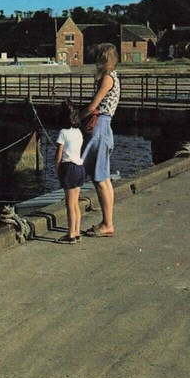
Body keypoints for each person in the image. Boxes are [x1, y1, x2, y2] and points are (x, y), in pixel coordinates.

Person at [81, 43, 120, 238]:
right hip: (104, 126)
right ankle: (107, 222)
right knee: (103, 177)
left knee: (99, 178)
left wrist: (78, 117)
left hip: (100, 126)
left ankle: (107, 224)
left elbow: (93, 106)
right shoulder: (114, 76)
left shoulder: (107, 78)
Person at [54, 98, 85, 244]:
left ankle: (71, 234)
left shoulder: (62, 132)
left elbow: (59, 154)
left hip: (68, 168)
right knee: (76, 203)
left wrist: (57, 168)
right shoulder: (78, 132)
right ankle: (77, 231)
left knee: (69, 204)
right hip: (79, 167)